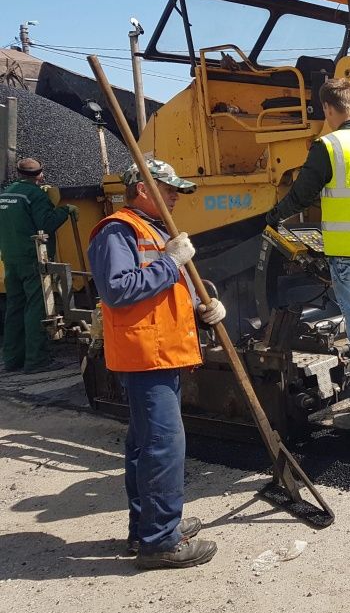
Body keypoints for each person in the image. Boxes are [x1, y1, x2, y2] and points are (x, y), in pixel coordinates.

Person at [88, 158, 222, 569]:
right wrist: (171, 262)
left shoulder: (153, 229)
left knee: (145, 446)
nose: (175, 198)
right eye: (169, 191)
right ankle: (161, 543)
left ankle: (150, 526)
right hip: (146, 356)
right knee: (164, 447)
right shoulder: (118, 230)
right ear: (143, 190)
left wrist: (204, 307)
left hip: (162, 352)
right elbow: (117, 290)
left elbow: (167, 295)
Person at [267, 79, 350, 428]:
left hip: (347, 252)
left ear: (329, 109)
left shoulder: (329, 146)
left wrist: (271, 217)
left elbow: (301, 195)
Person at [0, 158, 76, 373]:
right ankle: (36, 360)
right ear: (39, 174)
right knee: (36, 308)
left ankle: (13, 359)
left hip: (11, 259)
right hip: (32, 259)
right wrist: (65, 211)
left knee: (14, 308)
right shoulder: (35, 195)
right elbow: (46, 224)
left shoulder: (6, 193)